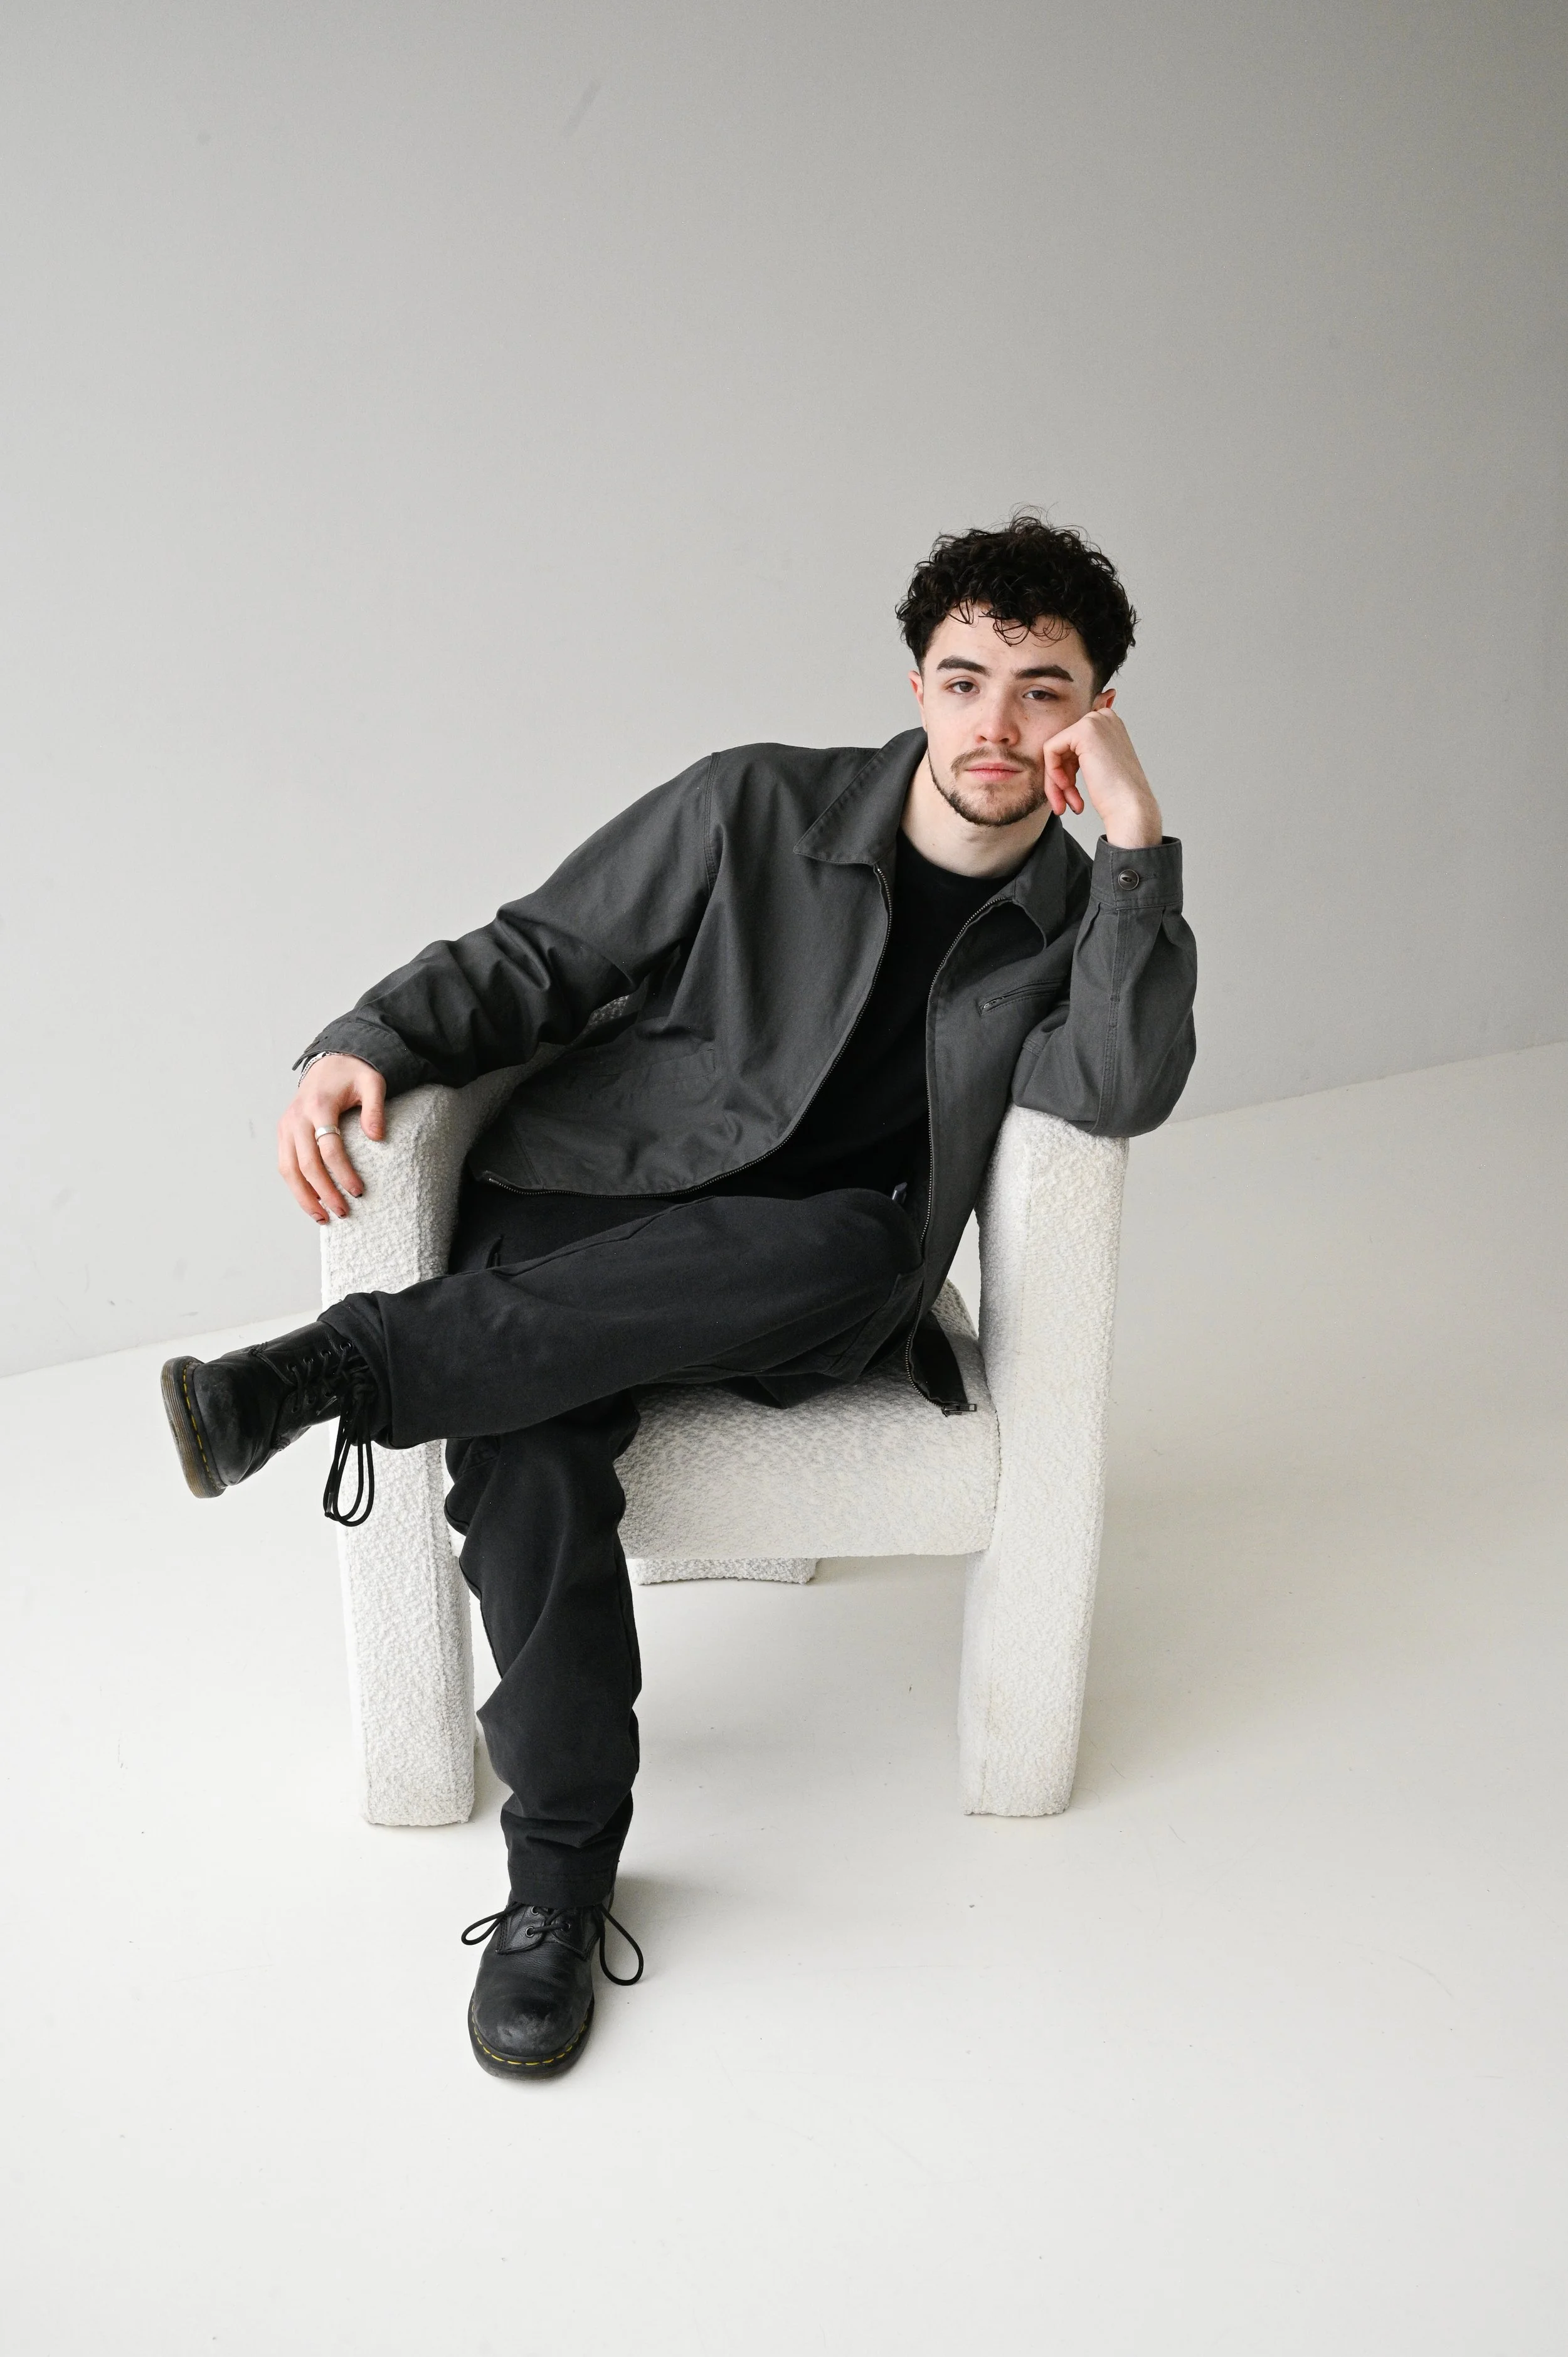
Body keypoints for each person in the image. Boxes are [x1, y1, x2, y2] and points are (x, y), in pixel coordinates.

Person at [161, 515, 1198, 2078]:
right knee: (525, 1448)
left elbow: (1118, 1085)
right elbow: (540, 956)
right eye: (962, 677)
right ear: (913, 684)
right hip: (586, 1192)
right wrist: (357, 1039)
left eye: (1042, 690)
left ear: (1093, 709)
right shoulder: (752, 805)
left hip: (799, 1271)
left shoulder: (1071, 915)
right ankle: (556, 1889)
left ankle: (334, 1373)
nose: (994, 723)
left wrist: (1131, 851)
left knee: (850, 1244)